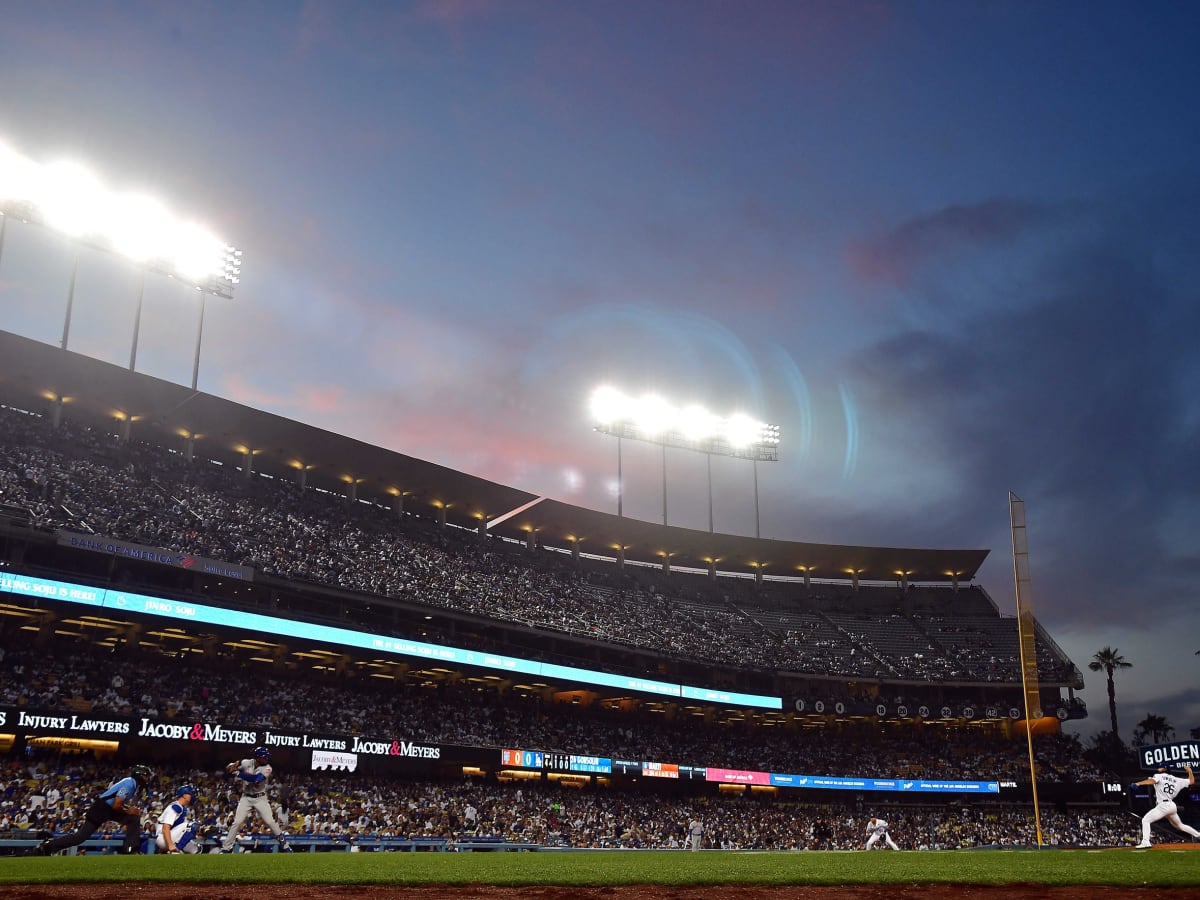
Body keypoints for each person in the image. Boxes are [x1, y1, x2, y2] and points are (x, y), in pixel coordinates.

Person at [36, 764, 153, 855]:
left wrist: (130, 810)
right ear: (140, 775)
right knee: (80, 837)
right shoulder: (129, 783)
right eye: (146, 775)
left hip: (107, 808)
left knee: (133, 818)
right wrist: (129, 810)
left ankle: (132, 850)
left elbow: (116, 804)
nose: (147, 778)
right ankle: (49, 846)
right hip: (101, 808)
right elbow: (117, 804)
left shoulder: (132, 783)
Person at [219, 746, 292, 853]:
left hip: (260, 798)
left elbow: (255, 779)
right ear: (257, 757)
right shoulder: (246, 762)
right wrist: (232, 766)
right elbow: (235, 764)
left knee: (270, 822)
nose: (267, 759)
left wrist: (237, 773)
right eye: (264, 757)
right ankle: (226, 848)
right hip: (246, 798)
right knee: (237, 822)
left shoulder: (267, 768)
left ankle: (285, 845)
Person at [1133, 764, 1200, 848]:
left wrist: (1138, 783)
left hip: (1163, 805)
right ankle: (1198, 835)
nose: (1158, 768)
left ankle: (1146, 842)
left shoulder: (1159, 776)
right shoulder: (1177, 779)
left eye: (1160, 767)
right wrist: (1190, 771)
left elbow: (1152, 781)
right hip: (1171, 806)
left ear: (1165, 768)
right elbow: (1192, 781)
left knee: (1145, 820)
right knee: (1180, 826)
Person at [156, 783, 201, 854]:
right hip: (163, 838)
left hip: (171, 836)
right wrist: (170, 845)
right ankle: (175, 851)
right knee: (193, 824)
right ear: (184, 795)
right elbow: (165, 827)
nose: (193, 795)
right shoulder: (175, 807)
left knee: (196, 849)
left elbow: (183, 831)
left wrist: (202, 832)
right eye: (190, 793)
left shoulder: (183, 808)